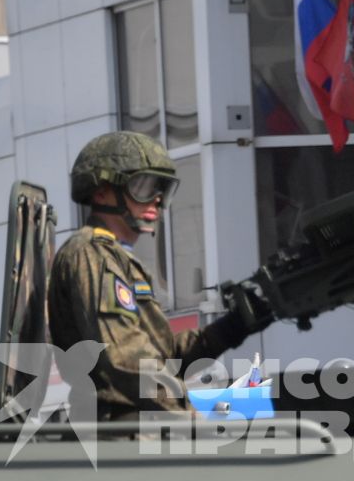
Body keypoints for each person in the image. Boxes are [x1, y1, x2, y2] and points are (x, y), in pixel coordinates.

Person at [49, 131, 270, 420]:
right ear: (101, 191)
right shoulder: (92, 254)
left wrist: (231, 328)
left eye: (161, 189)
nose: (155, 199)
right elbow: (126, 358)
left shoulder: (115, 256)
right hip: (121, 431)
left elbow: (161, 357)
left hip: (142, 426)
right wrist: (191, 417)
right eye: (142, 186)